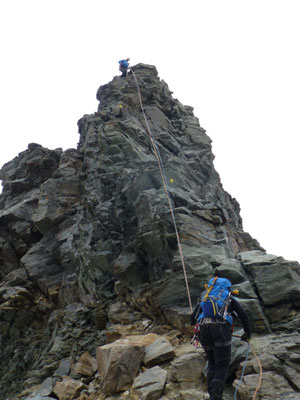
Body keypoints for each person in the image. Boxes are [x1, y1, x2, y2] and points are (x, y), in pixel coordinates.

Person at [191, 276, 251, 400]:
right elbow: (243, 315)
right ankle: (216, 397)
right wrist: (247, 334)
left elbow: (192, 319)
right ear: (227, 288)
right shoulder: (228, 298)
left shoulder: (205, 298)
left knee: (212, 362)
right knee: (222, 365)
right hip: (220, 329)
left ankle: (212, 395)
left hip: (203, 330)